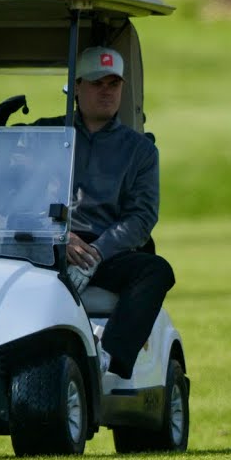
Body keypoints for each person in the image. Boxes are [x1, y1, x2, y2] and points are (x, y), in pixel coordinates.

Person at [31, 46, 175, 380]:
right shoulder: (44, 135)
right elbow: (18, 198)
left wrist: (97, 252)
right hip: (50, 242)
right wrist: (59, 237)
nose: (106, 90)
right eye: (97, 82)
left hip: (106, 250)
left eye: (113, 83)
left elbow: (141, 218)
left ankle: (107, 359)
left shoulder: (140, 150)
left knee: (156, 270)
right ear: (76, 87)